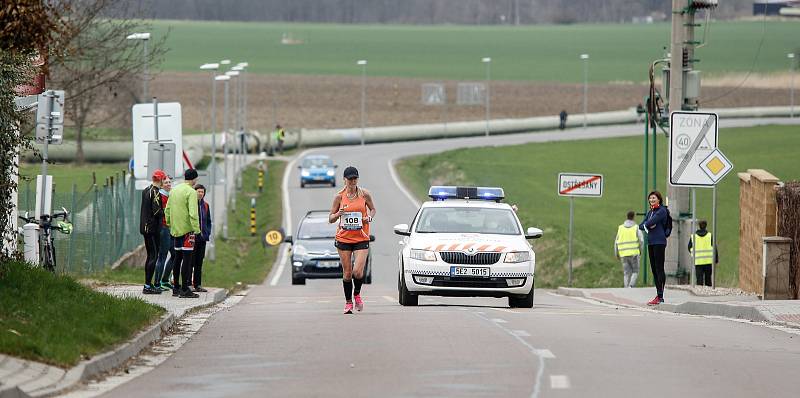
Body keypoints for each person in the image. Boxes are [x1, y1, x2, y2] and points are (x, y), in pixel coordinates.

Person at [329, 166, 376, 314]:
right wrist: (338, 214)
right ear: (344, 180)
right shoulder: (339, 197)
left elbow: (373, 209)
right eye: (350, 179)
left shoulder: (364, 194)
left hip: (361, 237)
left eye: (355, 178)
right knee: (348, 272)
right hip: (343, 238)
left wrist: (369, 217)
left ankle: (357, 294)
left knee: (358, 271)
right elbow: (330, 218)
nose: (352, 181)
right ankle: (348, 302)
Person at [165, 169, 202, 299]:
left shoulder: (174, 190)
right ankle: (185, 289)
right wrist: (197, 229)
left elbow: (167, 209)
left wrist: (170, 223)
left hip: (175, 230)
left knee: (177, 258)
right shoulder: (191, 192)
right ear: (194, 179)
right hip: (187, 230)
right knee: (187, 260)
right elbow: (193, 213)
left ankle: (176, 288)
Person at [640, 191, 670, 305]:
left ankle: (661, 296)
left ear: (659, 199)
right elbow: (641, 225)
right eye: (650, 198)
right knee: (654, 269)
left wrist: (647, 224)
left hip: (659, 242)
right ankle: (658, 295)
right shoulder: (650, 212)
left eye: (654, 198)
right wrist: (647, 224)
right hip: (651, 242)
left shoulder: (662, 211)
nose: (652, 200)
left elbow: (650, 222)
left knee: (659, 268)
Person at [140, 169, 166, 295]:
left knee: (150, 255)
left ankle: (147, 284)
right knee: (153, 256)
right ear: (160, 180)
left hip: (145, 227)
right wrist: (166, 212)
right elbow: (156, 211)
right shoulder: (155, 192)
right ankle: (147, 286)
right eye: (163, 180)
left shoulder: (146, 190)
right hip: (152, 228)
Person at [154, 175, 175, 291]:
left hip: (170, 228)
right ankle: (157, 283)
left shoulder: (170, 195)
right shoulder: (160, 196)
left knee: (175, 254)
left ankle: (165, 280)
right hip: (163, 228)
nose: (168, 184)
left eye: (169, 182)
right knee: (162, 255)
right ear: (161, 185)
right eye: (166, 182)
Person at [615, 210, 644, 288]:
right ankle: (631, 286)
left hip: (623, 254)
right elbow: (641, 240)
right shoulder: (636, 227)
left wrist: (616, 253)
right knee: (635, 271)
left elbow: (616, 242)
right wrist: (640, 250)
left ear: (626, 217)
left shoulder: (620, 228)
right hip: (634, 253)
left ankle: (626, 287)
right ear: (633, 217)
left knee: (626, 273)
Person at [193, 184, 212, 292]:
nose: (200, 193)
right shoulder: (191, 204)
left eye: (202, 192)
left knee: (199, 263)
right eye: (198, 191)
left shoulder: (206, 205)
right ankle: (188, 284)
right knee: (191, 262)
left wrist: (207, 233)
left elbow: (208, 221)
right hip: (193, 238)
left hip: (202, 239)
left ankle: (198, 285)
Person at [688, 220, 716, 287]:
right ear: (706, 226)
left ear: (699, 226)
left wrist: (693, 254)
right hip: (708, 261)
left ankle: (700, 292)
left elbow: (689, 247)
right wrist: (716, 259)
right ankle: (708, 294)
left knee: (699, 280)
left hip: (698, 261)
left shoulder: (693, 236)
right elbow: (714, 248)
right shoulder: (710, 236)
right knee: (708, 280)